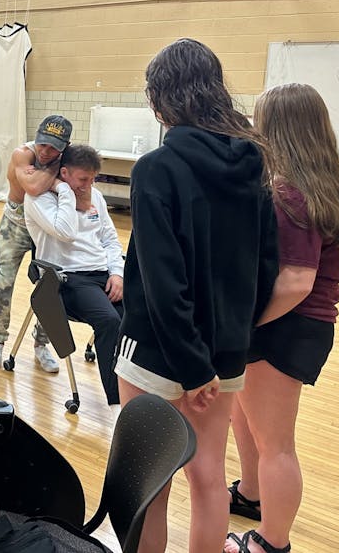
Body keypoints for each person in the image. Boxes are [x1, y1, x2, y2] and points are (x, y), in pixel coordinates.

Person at [114, 38, 279, 553]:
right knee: (209, 479)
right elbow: (266, 268)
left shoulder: (155, 168)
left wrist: (190, 367)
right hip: (224, 353)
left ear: (161, 98)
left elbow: (161, 281)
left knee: (151, 486)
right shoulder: (255, 164)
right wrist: (224, 347)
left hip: (158, 351)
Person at [223, 84, 339, 553]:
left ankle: (272, 542)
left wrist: (246, 327)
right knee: (245, 418)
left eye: (260, 121)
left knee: (276, 444)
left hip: (286, 326)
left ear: (278, 128)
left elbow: (297, 282)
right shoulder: (315, 184)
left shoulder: (293, 193)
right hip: (289, 325)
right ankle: (251, 493)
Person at [23, 144, 124, 405]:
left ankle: (140, 391)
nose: (88, 185)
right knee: (110, 321)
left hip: (102, 274)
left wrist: (117, 273)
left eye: (93, 179)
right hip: (67, 278)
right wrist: (65, 191)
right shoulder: (39, 200)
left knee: (141, 315)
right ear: (64, 173)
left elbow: (110, 240)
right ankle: (118, 403)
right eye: (83, 179)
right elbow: (66, 231)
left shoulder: (95, 195)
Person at [0, 114, 72, 372]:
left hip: (45, 229)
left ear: (65, 146)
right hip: (15, 226)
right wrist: (54, 171)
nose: (45, 151)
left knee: (50, 286)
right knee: (4, 282)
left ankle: (41, 344)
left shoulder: (69, 158)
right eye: (42, 143)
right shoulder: (22, 154)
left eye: (53, 148)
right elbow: (33, 187)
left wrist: (46, 175)